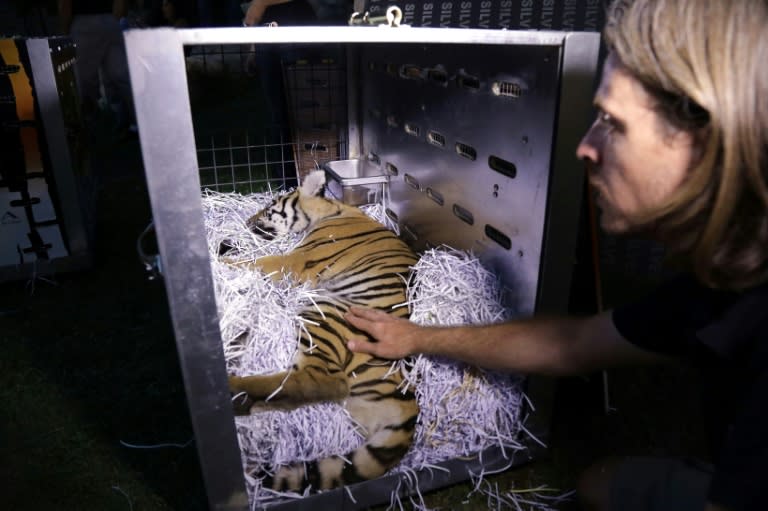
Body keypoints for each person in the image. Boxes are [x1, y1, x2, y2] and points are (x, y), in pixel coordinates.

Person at [344, 1, 768, 510]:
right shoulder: (724, 283)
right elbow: (574, 343)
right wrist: (415, 337)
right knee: (600, 482)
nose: (585, 147)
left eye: (613, 123)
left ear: (712, 141)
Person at [58, 0, 136, 137]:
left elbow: (65, 4)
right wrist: (112, 19)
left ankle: (89, 125)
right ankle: (135, 121)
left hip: (85, 23)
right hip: (108, 20)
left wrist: (65, 32)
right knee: (120, 75)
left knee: (84, 82)